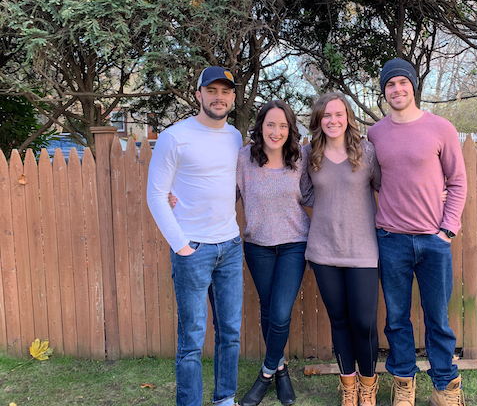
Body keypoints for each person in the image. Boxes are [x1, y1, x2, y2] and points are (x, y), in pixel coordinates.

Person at [368, 58, 467, 406]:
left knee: (438, 319)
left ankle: (445, 387)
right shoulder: (375, 134)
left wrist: (447, 231)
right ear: (384, 91)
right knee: (396, 320)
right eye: (390, 84)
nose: (397, 89)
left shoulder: (441, 128)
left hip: (433, 241)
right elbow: (374, 182)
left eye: (402, 83)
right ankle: (404, 384)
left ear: (413, 86)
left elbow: (457, 182)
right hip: (391, 240)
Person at [147, 66, 244, 406]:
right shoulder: (175, 137)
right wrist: (182, 246)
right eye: (212, 90)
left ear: (233, 97)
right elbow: (156, 195)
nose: (220, 97)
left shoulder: (235, 137)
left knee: (230, 333)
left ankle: (224, 399)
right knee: (192, 338)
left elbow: (227, 188)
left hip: (231, 247)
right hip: (195, 249)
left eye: (226, 91)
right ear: (199, 94)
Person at [304, 92, 382, 406]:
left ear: (348, 117)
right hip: (323, 251)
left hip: (363, 250)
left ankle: (368, 384)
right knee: (339, 321)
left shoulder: (367, 152)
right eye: (326, 116)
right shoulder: (309, 154)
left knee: (363, 322)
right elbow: (301, 192)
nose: (333, 120)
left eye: (339, 114)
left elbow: (387, 190)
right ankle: (348, 386)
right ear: (318, 121)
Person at [236, 100, 313, 406]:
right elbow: (227, 194)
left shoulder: (300, 158)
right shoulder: (245, 158)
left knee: (280, 313)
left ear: (290, 129)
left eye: (283, 125)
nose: (276, 131)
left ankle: (265, 374)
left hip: (294, 243)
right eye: (270, 124)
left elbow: (315, 193)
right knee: (267, 310)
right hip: (257, 246)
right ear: (260, 127)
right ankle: (281, 370)